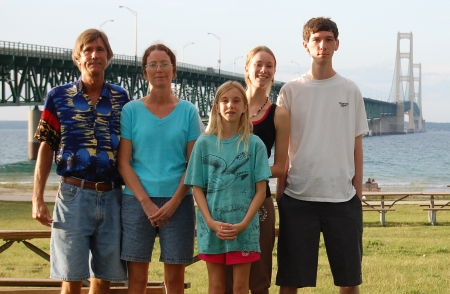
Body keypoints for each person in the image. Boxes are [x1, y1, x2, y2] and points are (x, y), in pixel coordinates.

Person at [276, 17, 369, 294]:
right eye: (316, 40)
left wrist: (357, 192)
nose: (323, 45)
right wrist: (281, 193)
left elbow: (357, 146)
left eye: (328, 39)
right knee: (290, 281)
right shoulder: (290, 91)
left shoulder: (350, 90)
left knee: (349, 281)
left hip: (342, 199)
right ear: (306, 45)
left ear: (337, 44)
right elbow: (283, 147)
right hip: (298, 198)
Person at [31, 29, 129, 293]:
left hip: (112, 197)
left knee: (104, 277)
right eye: (88, 50)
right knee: (71, 276)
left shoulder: (122, 99)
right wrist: (37, 198)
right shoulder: (58, 97)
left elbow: (131, 150)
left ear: (108, 56)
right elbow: (46, 148)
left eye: (100, 50)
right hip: (74, 195)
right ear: (78, 57)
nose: (94, 55)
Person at [117, 43, 202, 294]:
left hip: (179, 201)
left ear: (173, 70)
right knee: (137, 280)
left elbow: (193, 163)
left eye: (164, 64)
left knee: (174, 281)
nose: (159, 69)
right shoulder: (131, 110)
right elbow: (123, 162)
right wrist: (145, 202)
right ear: (145, 72)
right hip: (136, 201)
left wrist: (174, 202)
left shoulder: (188, 111)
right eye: (152, 65)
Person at [184, 81, 272, 294]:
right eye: (224, 100)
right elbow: (197, 188)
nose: (230, 105)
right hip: (212, 228)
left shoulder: (255, 144)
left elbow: (261, 191)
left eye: (236, 100)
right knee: (216, 286)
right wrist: (211, 222)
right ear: (216, 106)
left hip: (244, 229)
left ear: (244, 107)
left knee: (241, 286)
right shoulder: (203, 144)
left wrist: (243, 224)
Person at [224, 46, 290, 294]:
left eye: (269, 66)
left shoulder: (279, 114)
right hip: (225, 201)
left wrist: (245, 173)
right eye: (258, 64)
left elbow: (281, 167)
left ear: (274, 72)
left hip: (260, 202)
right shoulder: (228, 108)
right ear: (247, 69)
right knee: (226, 278)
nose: (263, 70)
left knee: (259, 277)